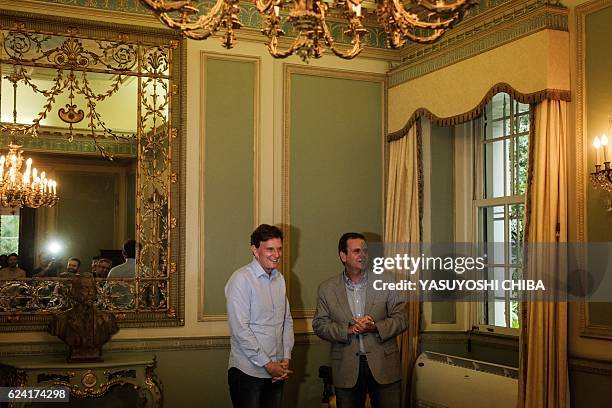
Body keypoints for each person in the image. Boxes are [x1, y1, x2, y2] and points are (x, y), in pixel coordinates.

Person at [312, 232, 407, 408]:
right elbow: (319, 325)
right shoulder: (326, 289)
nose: (362, 255)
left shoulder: (387, 281)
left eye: (365, 250)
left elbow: (401, 319)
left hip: (384, 367)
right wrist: (347, 330)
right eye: (356, 251)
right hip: (346, 369)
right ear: (343, 256)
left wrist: (375, 327)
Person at [225, 224, 294, 408]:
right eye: (270, 249)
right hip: (248, 373)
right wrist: (267, 364)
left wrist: (285, 358)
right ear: (255, 250)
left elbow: (286, 322)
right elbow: (240, 330)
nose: (276, 254)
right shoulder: (241, 279)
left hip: (277, 372)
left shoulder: (280, 279)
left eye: (279, 249)